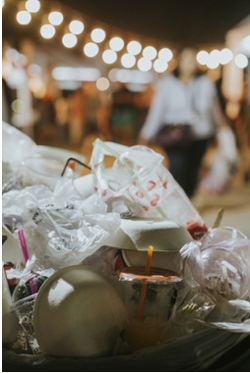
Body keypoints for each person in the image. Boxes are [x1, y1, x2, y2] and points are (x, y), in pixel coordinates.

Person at [138, 47, 227, 197]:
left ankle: (188, 202)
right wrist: (146, 134)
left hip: (199, 135)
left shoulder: (205, 83)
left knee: (193, 171)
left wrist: (221, 130)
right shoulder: (168, 83)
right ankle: (178, 201)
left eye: (192, 59)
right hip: (176, 135)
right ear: (179, 62)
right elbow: (157, 111)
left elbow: (214, 110)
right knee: (177, 169)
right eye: (186, 59)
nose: (189, 64)